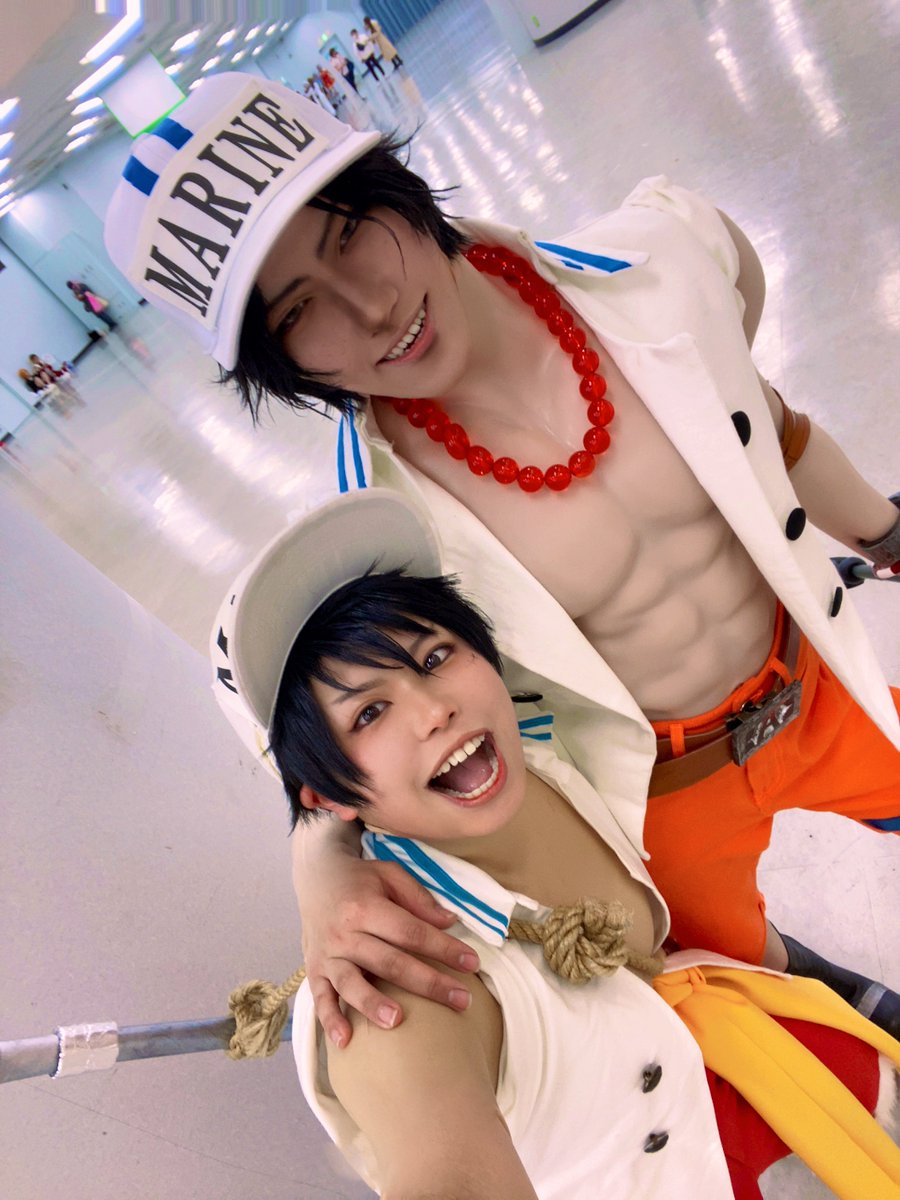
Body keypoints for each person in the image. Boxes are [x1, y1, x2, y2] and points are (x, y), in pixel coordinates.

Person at [103, 73, 900, 1049]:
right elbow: (308, 731)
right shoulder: (388, 532)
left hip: (817, 681)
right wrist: (325, 873)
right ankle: (836, 992)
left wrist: (884, 534)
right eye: (300, 310)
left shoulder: (661, 258)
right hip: (667, 795)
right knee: (736, 970)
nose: (370, 306)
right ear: (280, 368)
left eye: (349, 232)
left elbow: (765, 426)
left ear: (397, 185)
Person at [216, 488, 900, 1200]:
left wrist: (319, 865)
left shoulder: (547, 736)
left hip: (747, 1049)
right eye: (369, 713)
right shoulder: (399, 977)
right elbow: (446, 1165)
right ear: (326, 796)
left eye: (434, 655)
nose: (435, 708)